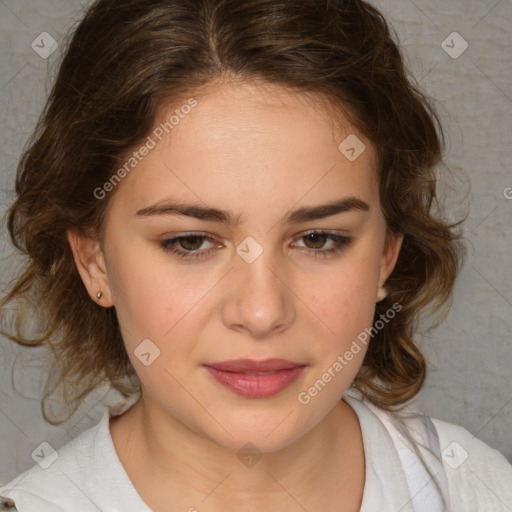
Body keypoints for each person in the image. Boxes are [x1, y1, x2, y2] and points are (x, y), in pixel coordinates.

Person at [0, 0, 511, 510]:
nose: (262, 312)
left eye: (318, 239)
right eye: (191, 242)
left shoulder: (479, 490)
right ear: (94, 261)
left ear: (386, 252)